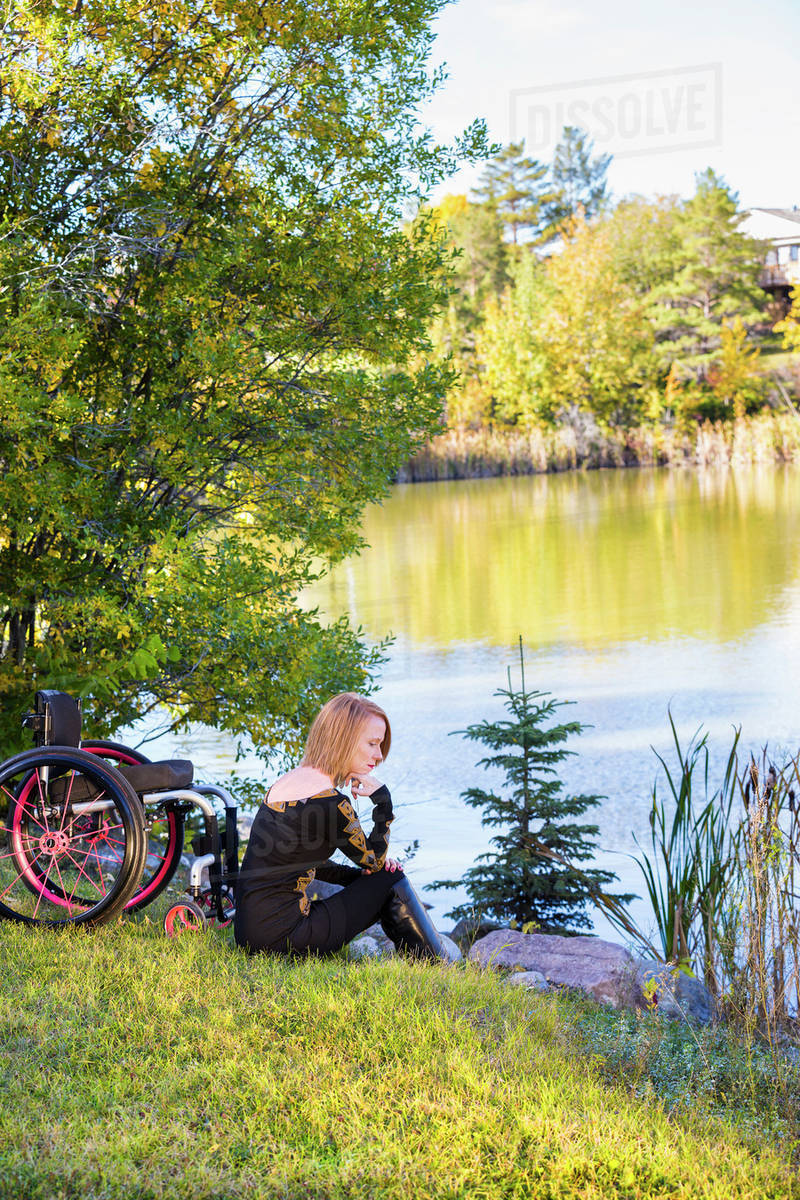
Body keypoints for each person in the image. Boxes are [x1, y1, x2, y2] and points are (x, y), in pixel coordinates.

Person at [234, 692, 445, 961]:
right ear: (344, 739)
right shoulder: (330, 802)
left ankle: (430, 960)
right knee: (391, 878)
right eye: (372, 743)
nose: (379, 755)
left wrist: (359, 879)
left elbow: (298, 861)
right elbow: (375, 861)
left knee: (380, 879)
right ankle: (437, 964)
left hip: (250, 936)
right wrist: (383, 802)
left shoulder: (285, 785)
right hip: (285, 940)